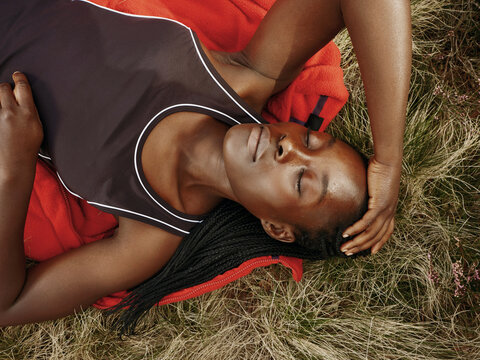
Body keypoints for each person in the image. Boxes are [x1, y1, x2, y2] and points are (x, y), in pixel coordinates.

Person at [0, 0, 411, 330]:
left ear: (276, 227)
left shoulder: (149, 235)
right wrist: (388, 160)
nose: (290, 147)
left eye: (302, 181)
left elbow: (10, 304)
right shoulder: (246, 78)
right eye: (311, 139)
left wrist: (15, 166)